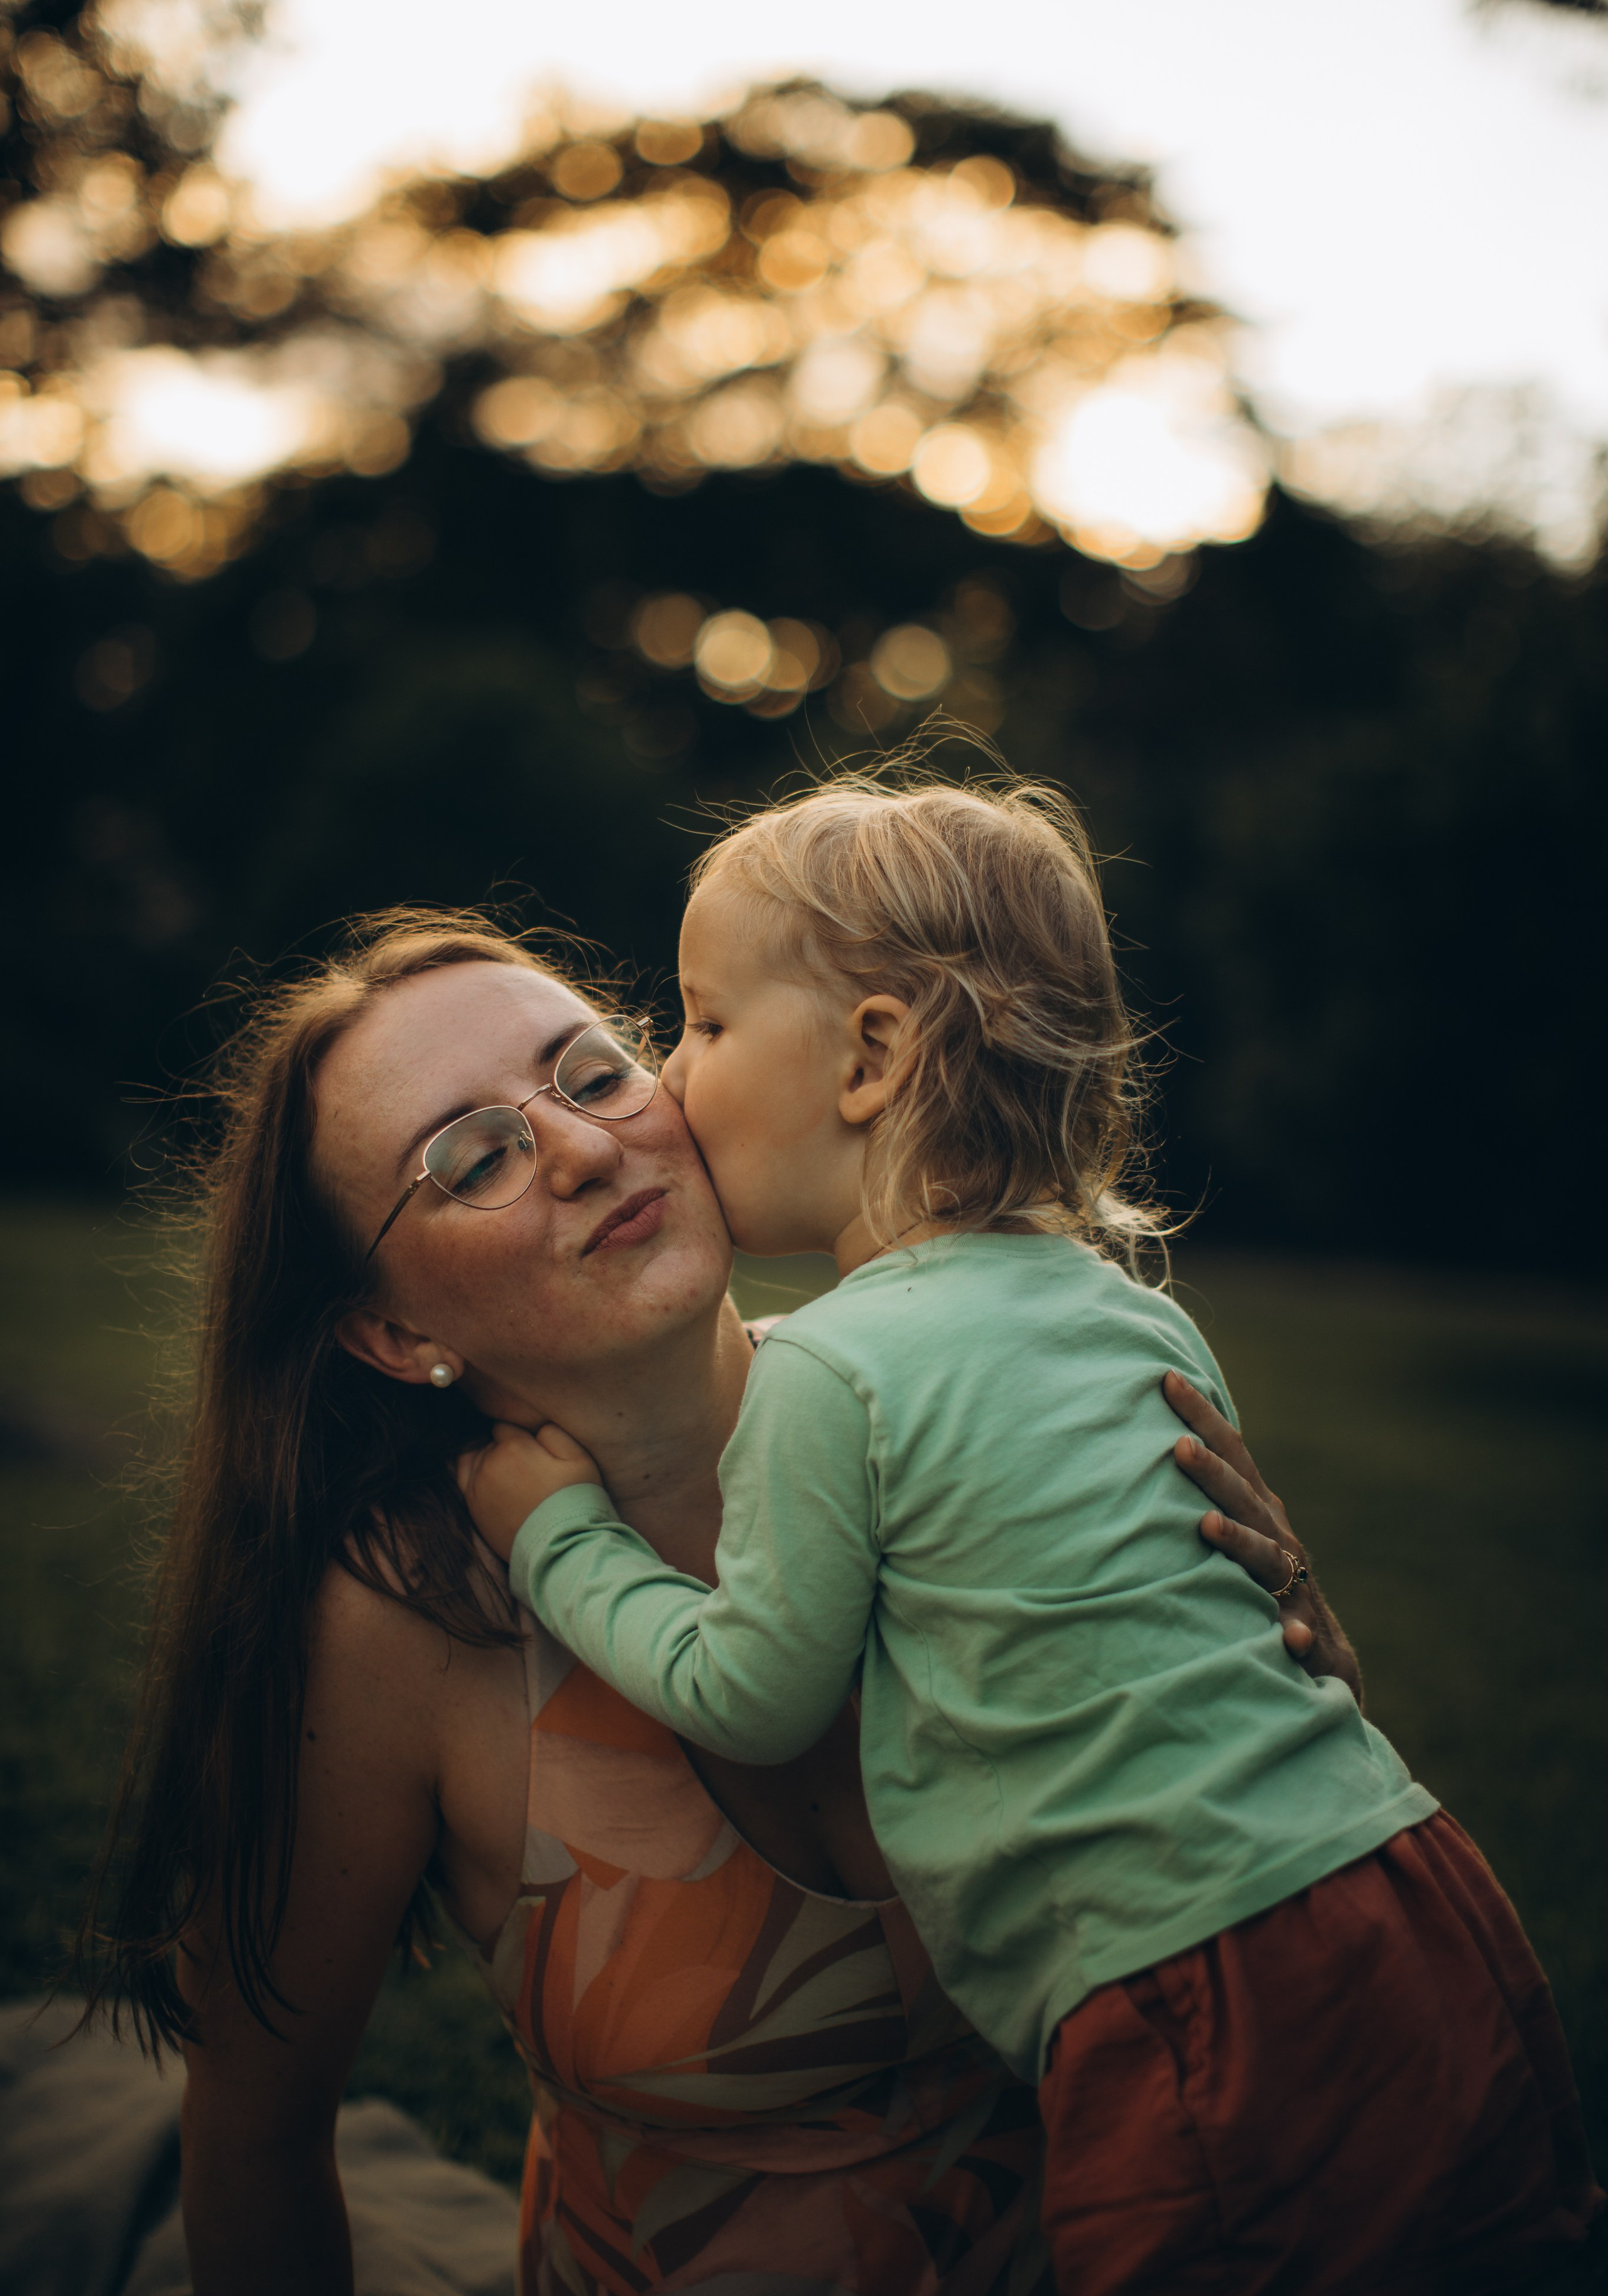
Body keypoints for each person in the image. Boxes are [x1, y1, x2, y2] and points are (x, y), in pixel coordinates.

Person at [78, 906, 1359, 2296]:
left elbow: (1272, 1881)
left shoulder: (973, 1415)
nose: (578, 1148)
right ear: (395, 1335)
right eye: (472, 1159)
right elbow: (254, 2145)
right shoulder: (402, 1630)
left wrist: (1300, 1673)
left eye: (592, 1074)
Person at [459, 784, 1604, 2296]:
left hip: (1188, 1983)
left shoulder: (828, 1367)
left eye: (706, 1023)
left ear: (869, 1057)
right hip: (1407, 1886)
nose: (673, 1074)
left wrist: (559, 1538)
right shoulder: (1129, 1313)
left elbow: (753, 1691)